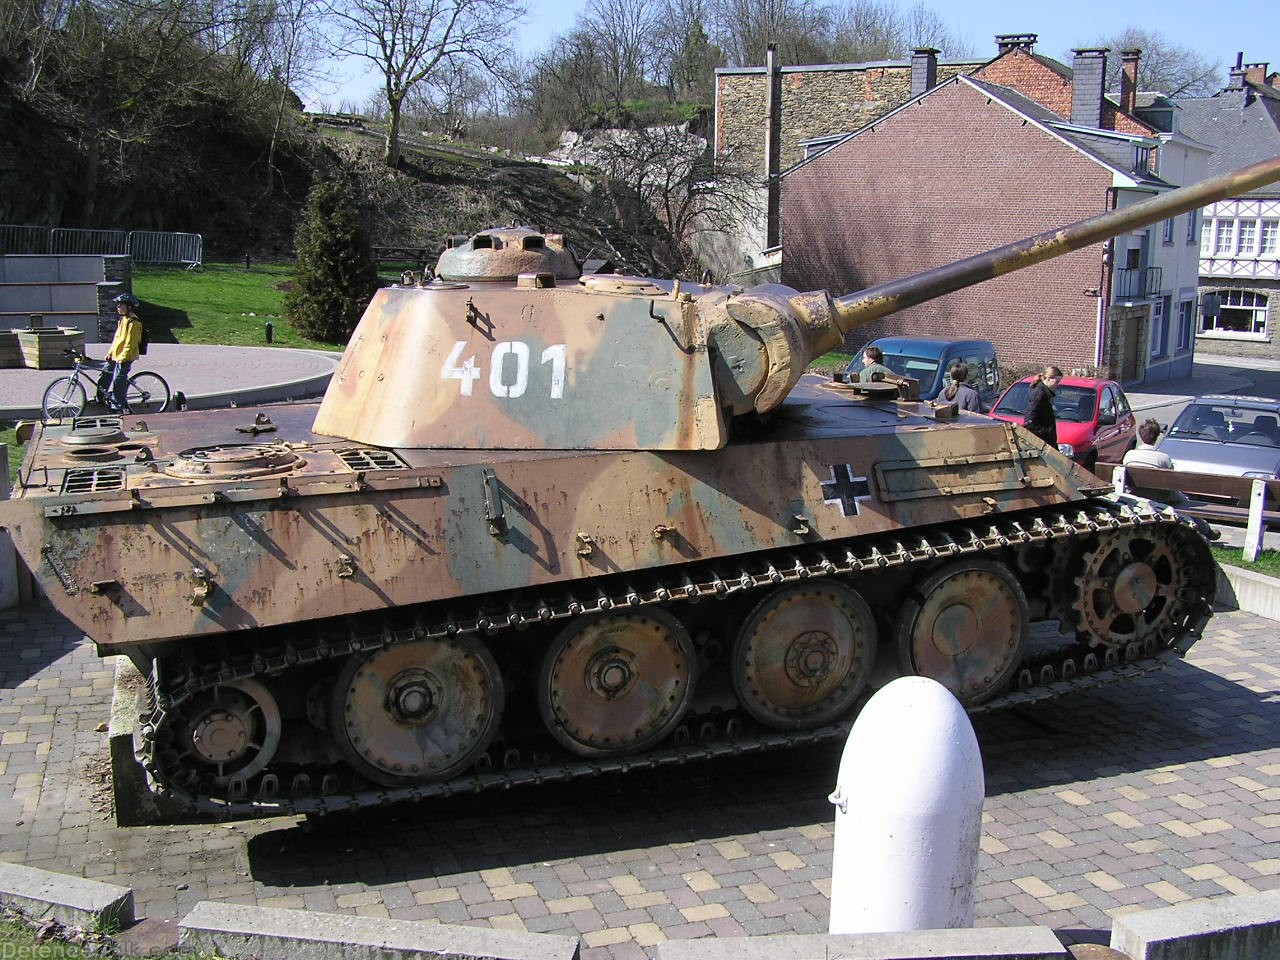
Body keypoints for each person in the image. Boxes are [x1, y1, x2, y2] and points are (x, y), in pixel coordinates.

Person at [97, 292, 144, 413]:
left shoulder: (134, 323)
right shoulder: (122, 320)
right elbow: (117, 339)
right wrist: (110, 353)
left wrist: (123, 357)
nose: (118, 307)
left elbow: (131, 343)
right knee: (105, 374)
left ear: (129, 307)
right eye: (117, 305)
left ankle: (119, 406)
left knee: (118, 379)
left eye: (120, 305)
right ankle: (100, 398)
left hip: (126, 356)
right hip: (116, 355)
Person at [1023, 365, 1062, 445]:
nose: (1058, 385)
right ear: (1048, 378)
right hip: (1041, 443)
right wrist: (1046, 432)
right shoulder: (1040, 394)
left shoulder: (1046, 394)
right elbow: (1030, 421)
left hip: (1047, 442)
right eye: (1057, 381)